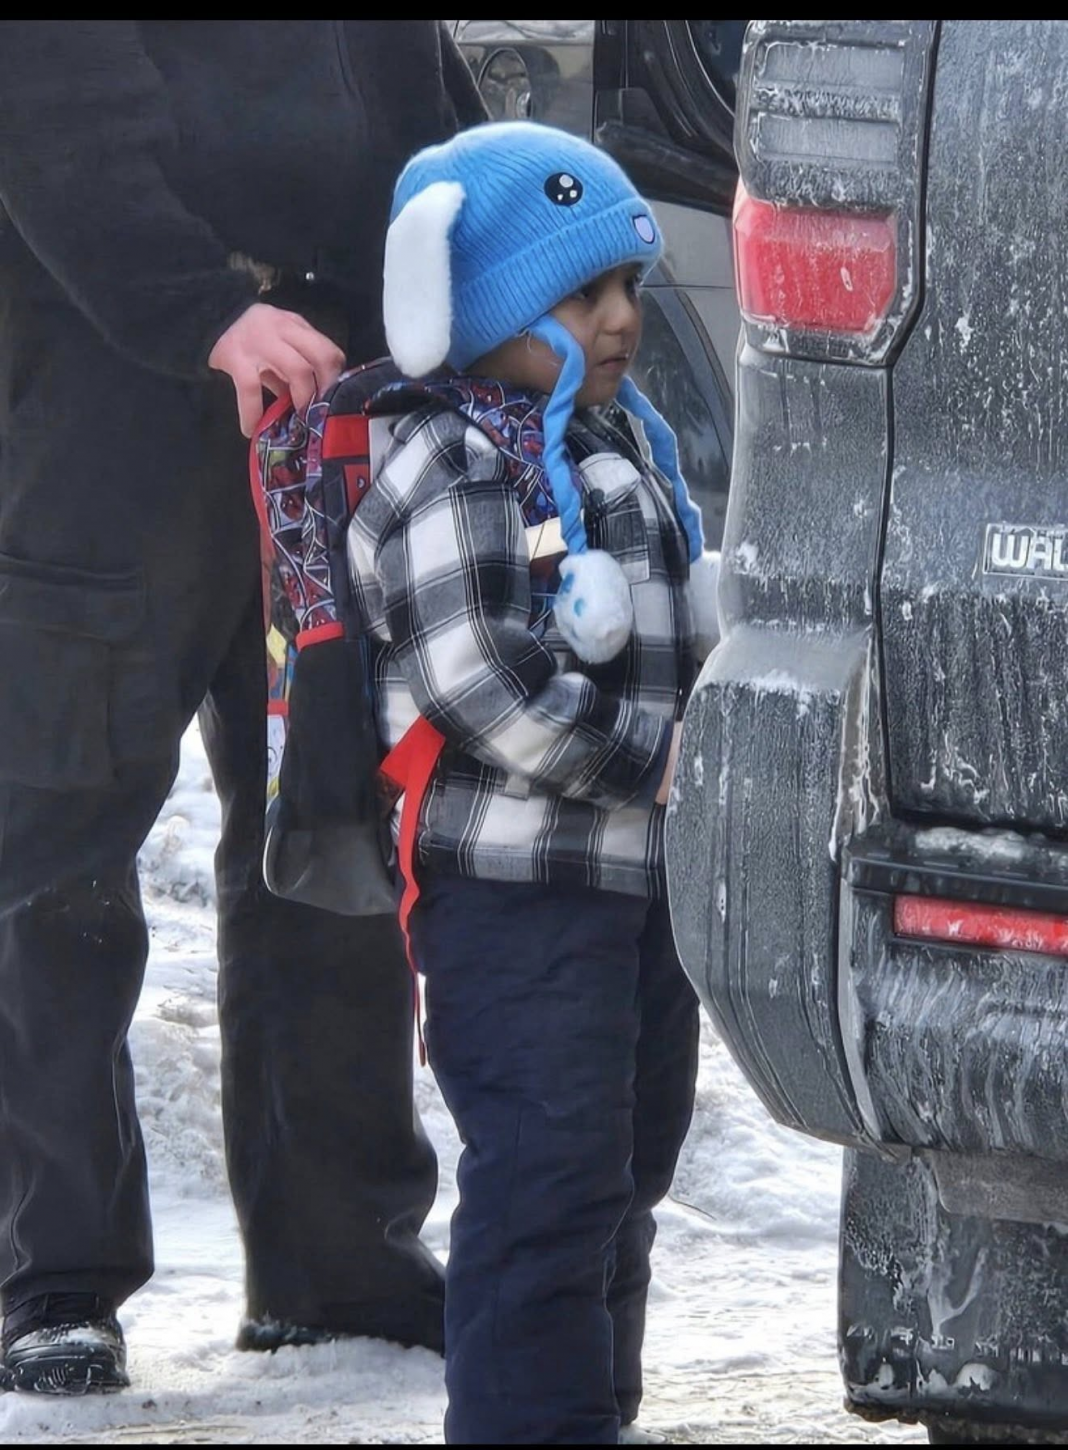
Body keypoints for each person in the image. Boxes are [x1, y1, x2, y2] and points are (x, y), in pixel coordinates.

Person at [0, 21, 487, 1395]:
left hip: (333, 412)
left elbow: (427, 125)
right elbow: (47, 103)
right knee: (59, 833)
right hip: (108, 415)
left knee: (330, 809)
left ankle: (338, 1258)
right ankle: (52, 1274)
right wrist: (200, 308)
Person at [346, 120, 722, 1444]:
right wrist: (650, 761)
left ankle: (588, 1417)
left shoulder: (632, 445)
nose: (619, 318)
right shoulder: (450, 458)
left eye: (626, 288)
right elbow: (479, 684)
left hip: (637, 894)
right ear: (475, 297)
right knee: (548, 1182)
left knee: (625, 1177)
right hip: (513, 898)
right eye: (580, 294)